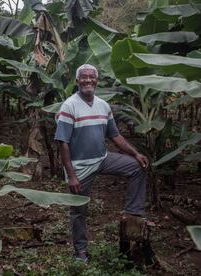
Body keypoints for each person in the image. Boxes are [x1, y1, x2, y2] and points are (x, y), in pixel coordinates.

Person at [54, 64, 149, 262]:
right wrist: (71, 175)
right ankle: (80, 252)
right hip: (79, 167)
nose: (88, 80)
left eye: (92, 77)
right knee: (78, 211)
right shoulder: (69, 106)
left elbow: (115, 136)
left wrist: (136, 153)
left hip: (102, 159)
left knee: (136, 167)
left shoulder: (103, 105)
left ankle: (134, 213)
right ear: (78, 80)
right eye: (84, 77)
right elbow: (62, 143)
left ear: (96, 80)